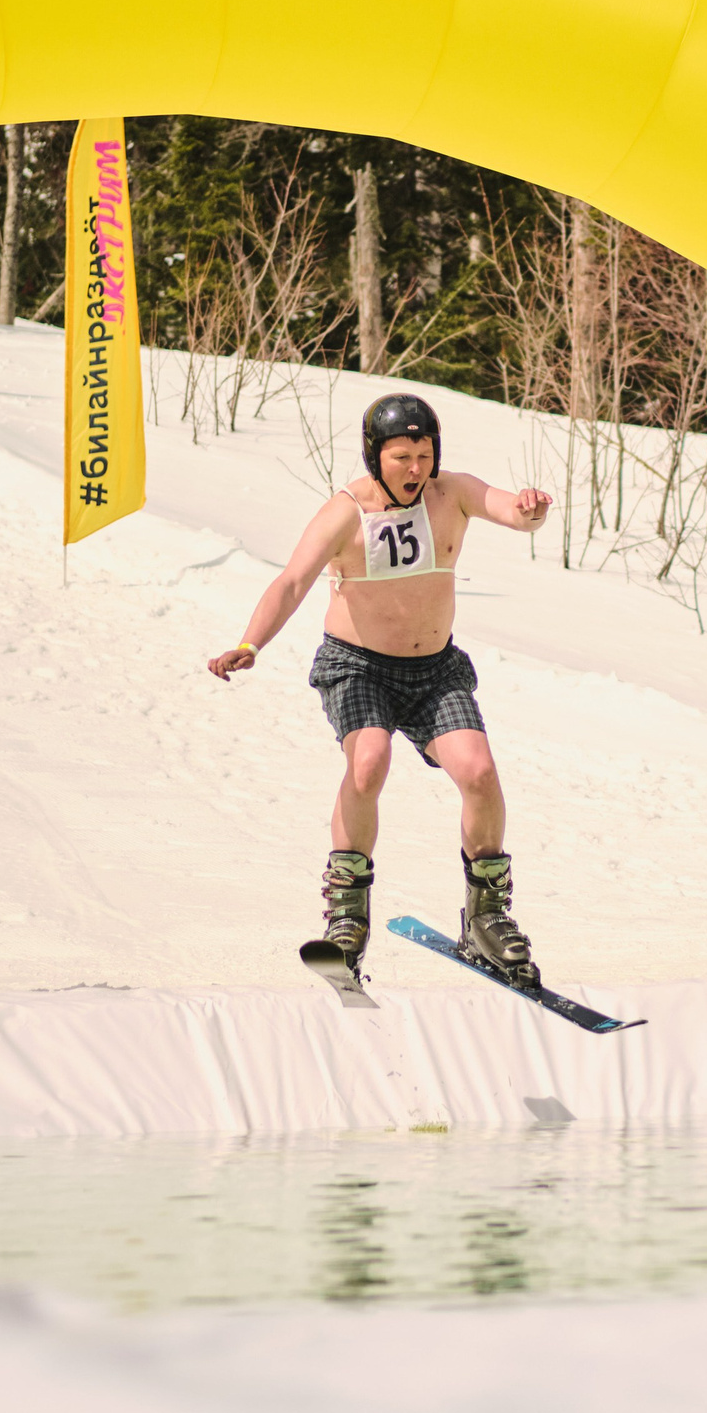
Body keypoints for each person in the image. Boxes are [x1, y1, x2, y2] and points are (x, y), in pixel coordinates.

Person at [209, 393, 554, 983]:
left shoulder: (453, 492)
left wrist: (531, 509)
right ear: (375, 458)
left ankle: (487, 916)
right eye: (400, 457)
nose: (415, 469)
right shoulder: (347, 511)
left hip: (435, 669)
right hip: (359, 665)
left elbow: (511, 512)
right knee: (368, 761)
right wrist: (250, 643)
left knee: (478, 771)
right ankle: (346, 915)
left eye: (424, 455)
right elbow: (293, 580)